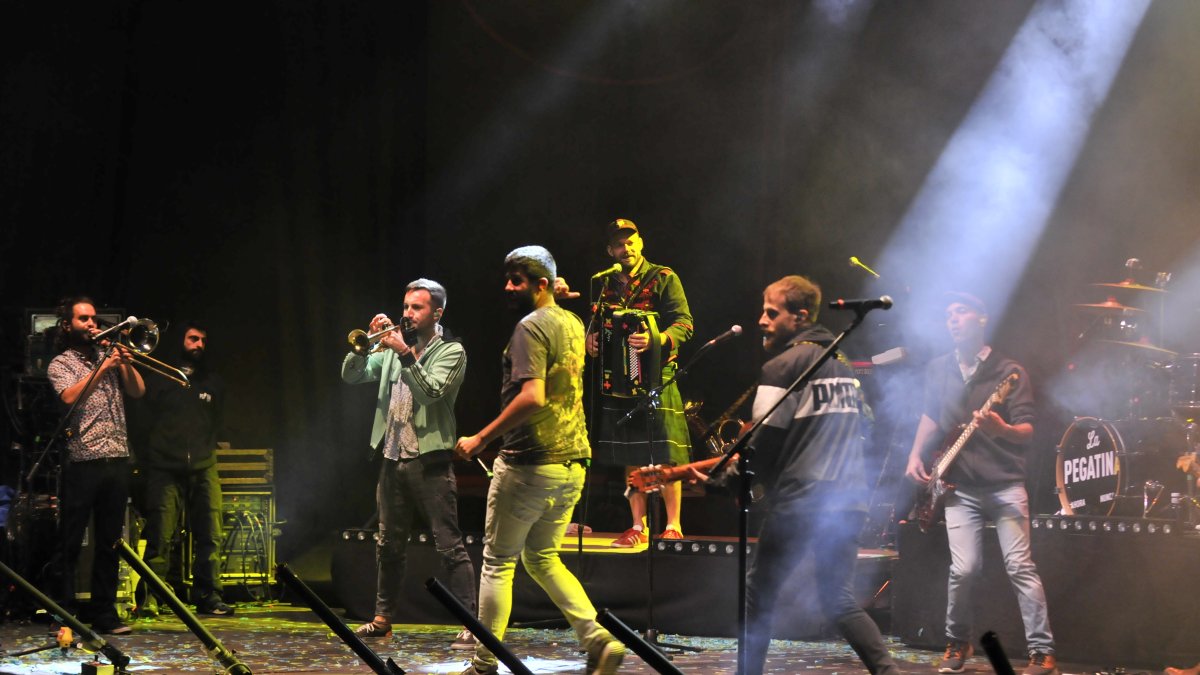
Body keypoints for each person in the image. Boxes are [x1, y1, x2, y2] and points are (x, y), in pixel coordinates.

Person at [697, 275, 898, 675]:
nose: (761, 321)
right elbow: (867, 427)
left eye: (772, 313)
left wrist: (730, 481)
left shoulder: (783, 366)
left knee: (759, 594)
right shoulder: (841, 367)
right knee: (838, 599)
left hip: (803, 499)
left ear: (800, 316)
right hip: (848, 498)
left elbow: (763, 444)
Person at [454, 246, 625, 675]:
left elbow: (533, 396)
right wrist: (556, 289)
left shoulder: (529, 328)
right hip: (572, 461)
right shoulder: (571, 320)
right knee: (543, 557)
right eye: (508, 278)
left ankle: (482, 664)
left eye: (518, 280)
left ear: (541, 284)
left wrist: (480, 438)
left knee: (497, 563)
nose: (508, 287)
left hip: (529, 462)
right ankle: (598, 639)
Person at [904, 292, 1057, 675]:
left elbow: (1026, 430)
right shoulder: (939, 369)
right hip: (959, 486)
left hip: (1005, 484)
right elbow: (931, 416)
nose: (953, 320)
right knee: (964, 569)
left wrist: (1002, 427)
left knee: (1019, 565)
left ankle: (1042, 651)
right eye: (948, 314)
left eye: (961, 312)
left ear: (982, 318)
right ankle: (958, 642)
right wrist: (914, 454)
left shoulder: (1009, 371)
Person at [341, 278, 476, 649]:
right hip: (391, 456)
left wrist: (402, 352)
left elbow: (430, 392)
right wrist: (365, 344)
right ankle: (383, 620)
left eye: (417, 307)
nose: (407, 314)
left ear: (437, 312)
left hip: (429, 461)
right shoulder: (391, 349)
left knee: (448, 545)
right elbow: (351, 375)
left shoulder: (451, 351)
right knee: (388, 545)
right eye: (406, 307)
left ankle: (471, 623)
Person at [586, 218, 693, 547]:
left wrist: (657, 339)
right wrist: (590, 340)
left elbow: (685, 324)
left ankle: (673, 524)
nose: (626, 247)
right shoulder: (604, 283)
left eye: (631, 241)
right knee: (630, 454)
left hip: (658, 375)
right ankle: (637, 525)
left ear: (641, 242)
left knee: (665, 452)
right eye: (619, 243)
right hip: (620, 379)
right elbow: (597, 322)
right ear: (610, 250)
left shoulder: (663, 277)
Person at [45, 296, 145, 635]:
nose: (91, 323)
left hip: (116, 458)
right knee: (71, 541)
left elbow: (138, 391)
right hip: (82, 459)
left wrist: (125, 363)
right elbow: (70, 398)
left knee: (109, 541)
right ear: (67, 325)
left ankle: (104, 614)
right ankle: (65, 616)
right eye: (83, 319)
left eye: (93, 318)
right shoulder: (60, 363)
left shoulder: (109, 355)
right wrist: (102, 368)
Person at [135, 321, 233, 617]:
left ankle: (209, 596)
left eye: (203, 340)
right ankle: (152, 596)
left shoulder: (213, 382)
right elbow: (143, 421)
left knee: (210, 534)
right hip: (164, 466)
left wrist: (206, 449)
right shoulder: (160, 378)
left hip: (203, 466)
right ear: (181, 341)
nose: (198, 345)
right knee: (160, 536)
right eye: (193, 338)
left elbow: (217, 421)